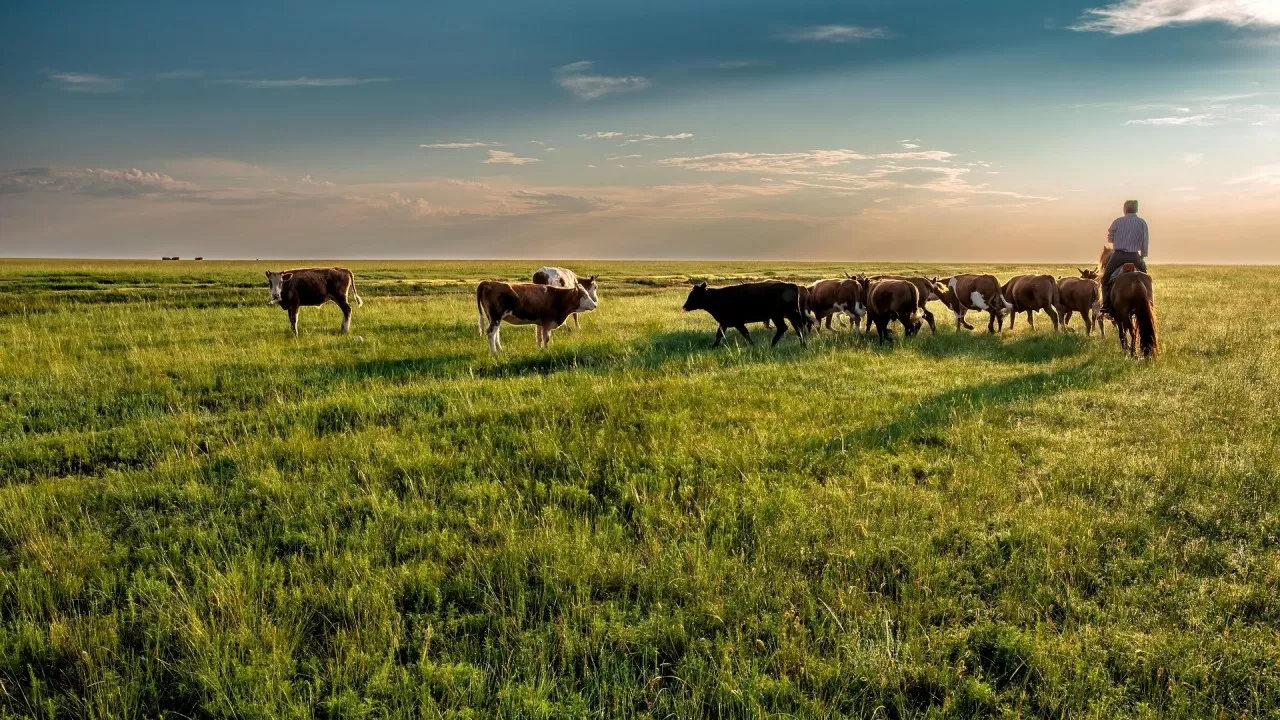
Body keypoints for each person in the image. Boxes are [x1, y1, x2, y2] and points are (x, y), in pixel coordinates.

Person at [1101, 199, 1149, 317]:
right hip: (1134, 256)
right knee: (1145, 279)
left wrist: (1117, 239)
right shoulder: (1142, 223)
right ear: (1136, 209)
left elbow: (1110, 238)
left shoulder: (1117, 222)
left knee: (1105, 279)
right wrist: (1142, 256)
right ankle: (1148, 302)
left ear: (1124, 209)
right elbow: (1145, 241)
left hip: (1118, 255)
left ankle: (1106, 306)